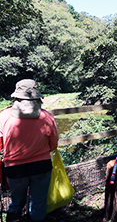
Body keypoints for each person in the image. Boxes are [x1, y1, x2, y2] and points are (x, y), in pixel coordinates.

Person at [0, 79, 59, 222]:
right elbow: (54, 144)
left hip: (15, 168)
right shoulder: (46, 116)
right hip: (41, 166)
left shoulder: (4, 116)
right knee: (38, 203)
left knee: (16, 202)